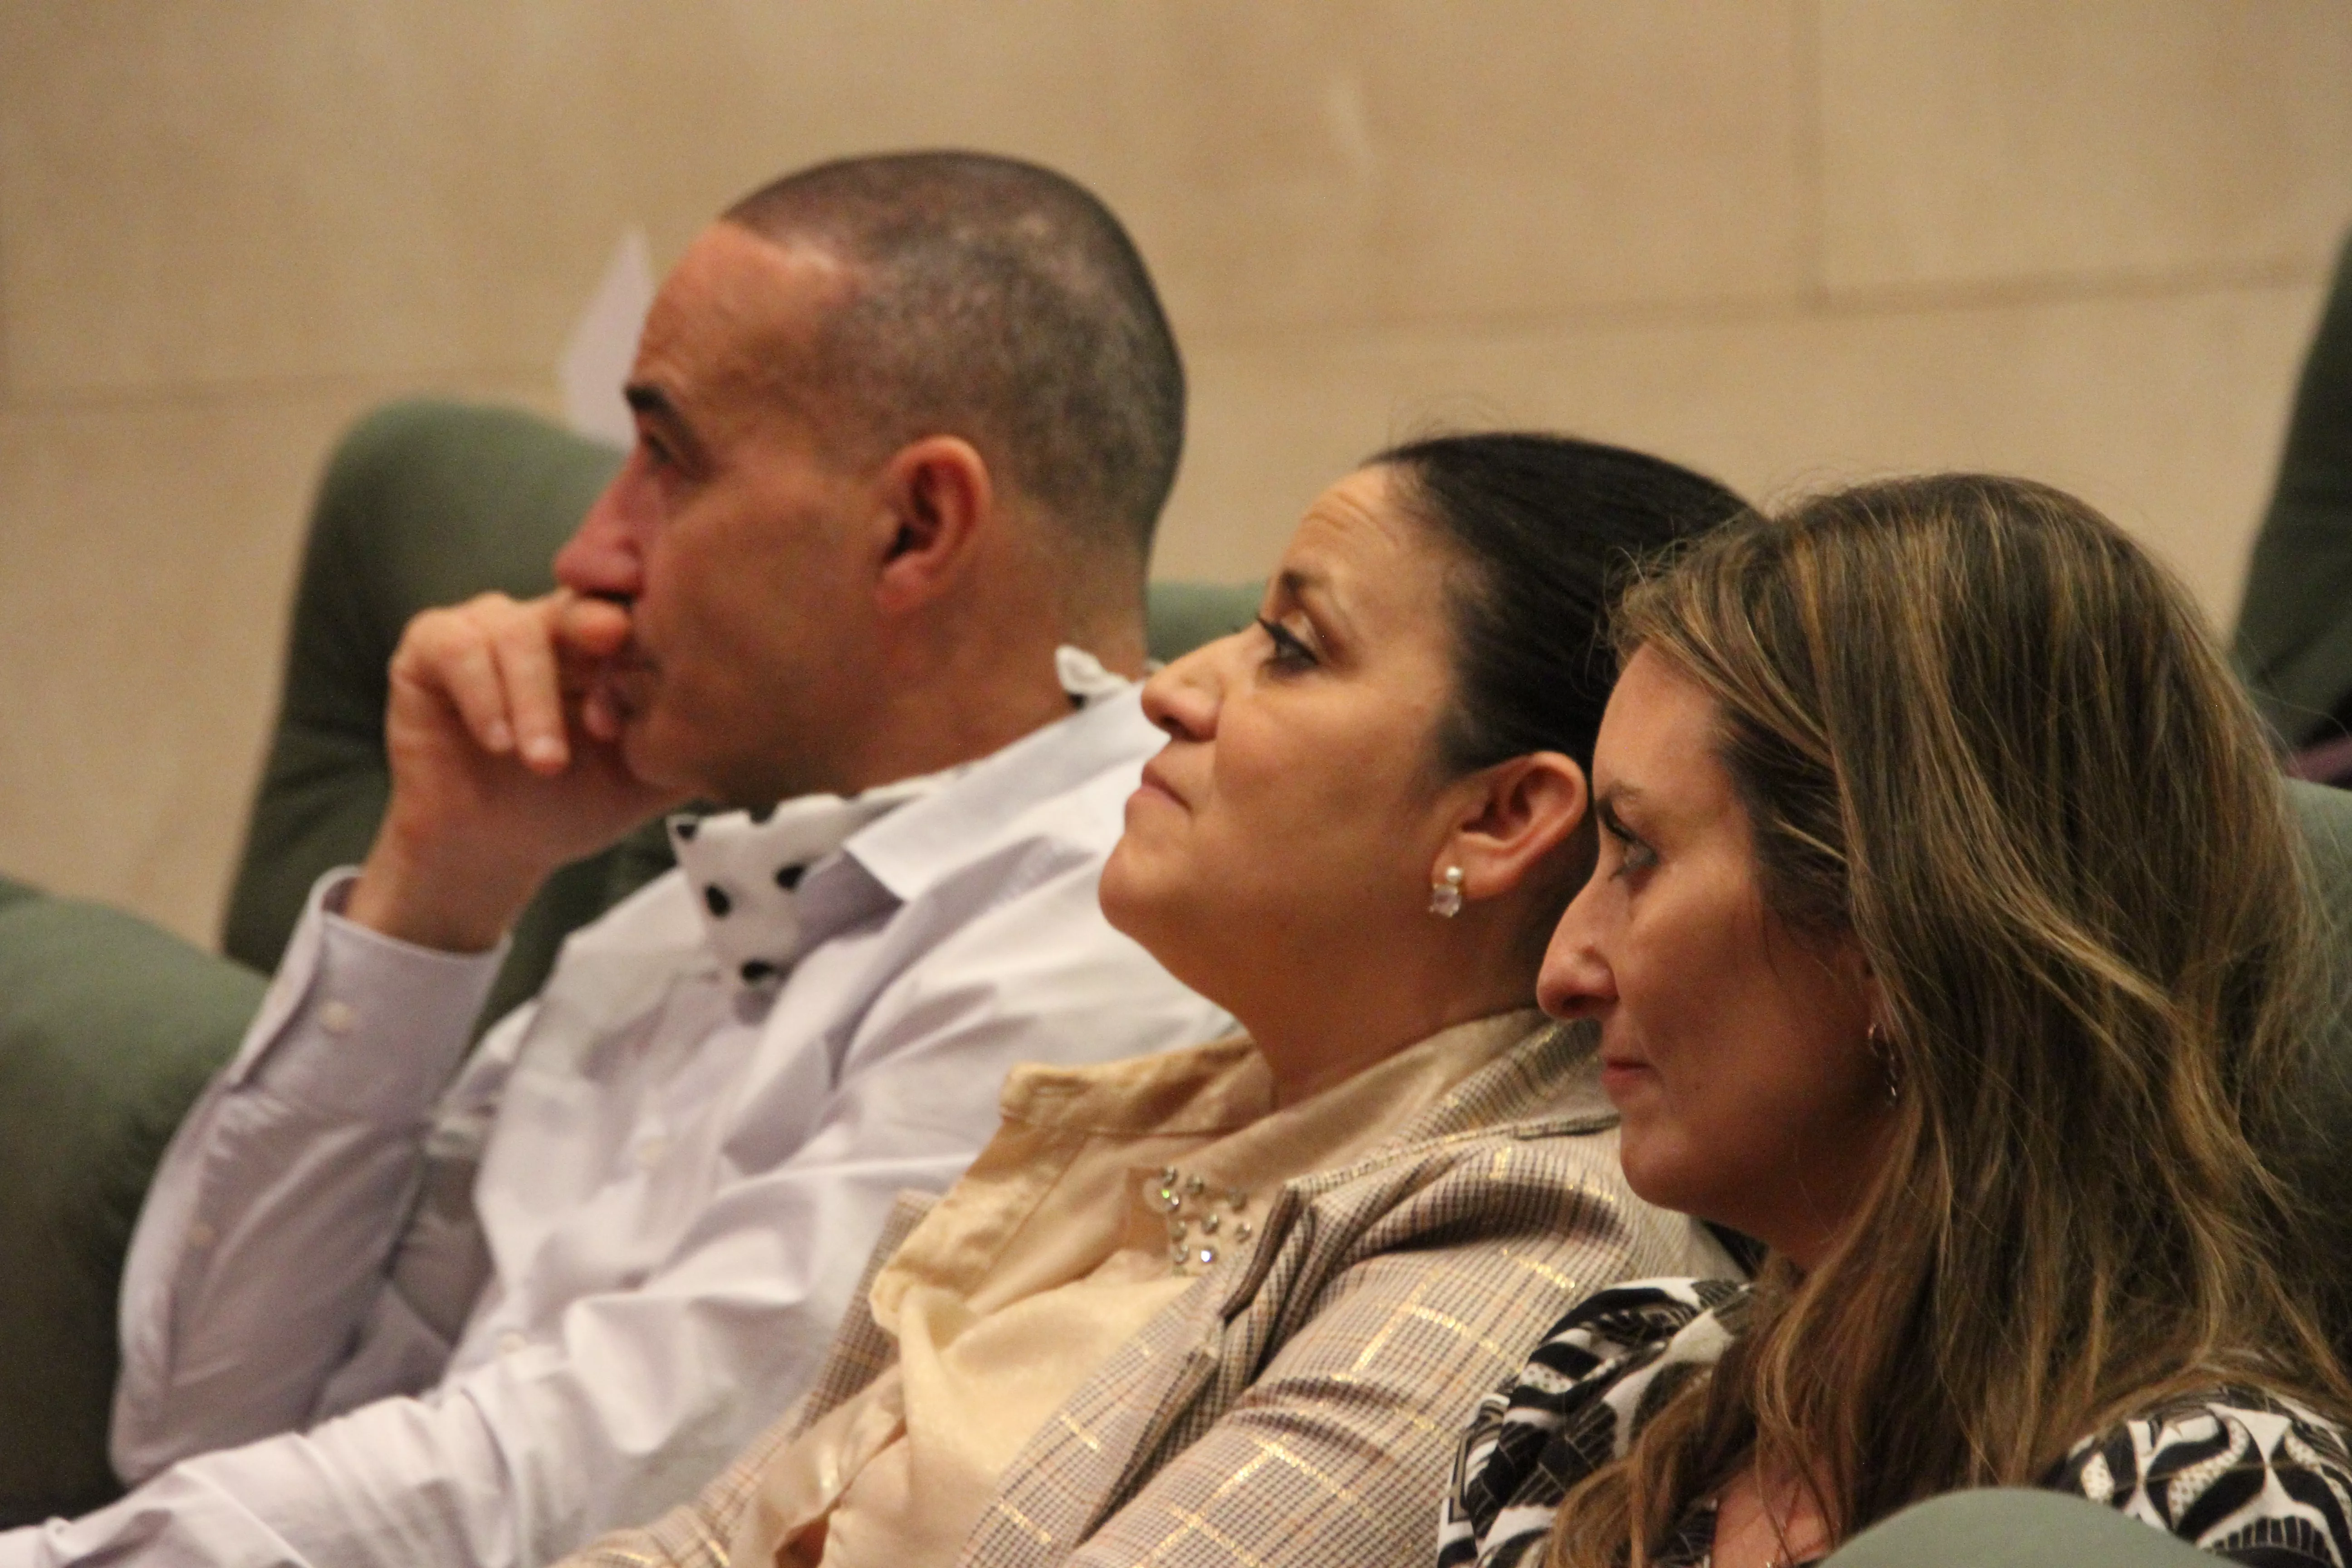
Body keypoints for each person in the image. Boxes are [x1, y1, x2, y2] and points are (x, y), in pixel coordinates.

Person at [0, 153, 1234, 1568]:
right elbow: (197, 1418)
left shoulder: (1107, 938)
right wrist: (435, 891)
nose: (588, 554)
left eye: (667, 461)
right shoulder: (668, 922)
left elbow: (600, 1494)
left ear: (916, 528)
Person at [560, 431, 1748, 1568]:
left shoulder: (1535, 1230)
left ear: (1496, 820)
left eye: (1291, 648)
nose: (1171, 690)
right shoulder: (1152, 1117)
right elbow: (700, 1542)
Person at [1438, 475, 2352, 1568]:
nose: (1563, 975)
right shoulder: (1588, 1411)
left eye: (1639, 853)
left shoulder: (2202, 1499)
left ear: (1894, 930)